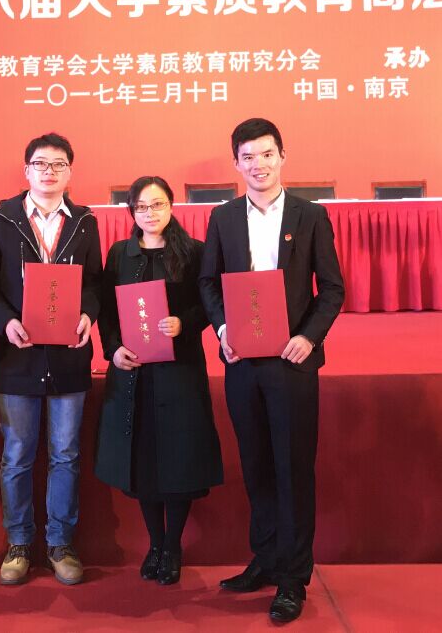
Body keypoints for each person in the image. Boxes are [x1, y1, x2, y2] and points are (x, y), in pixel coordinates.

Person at [199, 118, 344, 623]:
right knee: (256, 464)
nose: (258, 165)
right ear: (236, 163)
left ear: (282, 156)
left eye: (266, 154)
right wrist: (222, 329)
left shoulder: (310, 216)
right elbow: (208, 283)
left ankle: (293, 577)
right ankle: (264, 559)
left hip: (291, 362)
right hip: (242, 362)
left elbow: (332, 288)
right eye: (248, 157)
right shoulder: (222, 218)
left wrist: (309, 337)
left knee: (293, 469)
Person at [0, 132, 102, 586]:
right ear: (26, 170)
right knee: (17, 455)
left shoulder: (85, 222)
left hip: (68, 355)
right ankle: (18, 543)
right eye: (41, 164)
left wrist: (88, 313)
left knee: (65, 454)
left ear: (70, 171)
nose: (49, 172)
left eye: (58, 164)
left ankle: (60, 543)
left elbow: (95, 281)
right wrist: (5, 321)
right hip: (18, 354)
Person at [95, 176, 223, 585]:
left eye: (158, 205)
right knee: (143, 460)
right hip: (134, 372)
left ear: (172, 206)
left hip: (179, 371)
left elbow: (210, 303)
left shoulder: (194, 251)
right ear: (131, 211)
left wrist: (184, 322)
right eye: (141, 207)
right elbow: (106, 311)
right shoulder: (120, 254)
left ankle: (173, 546)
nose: (150, 213)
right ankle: (154, 543)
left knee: (178, 459)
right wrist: (113, 349)